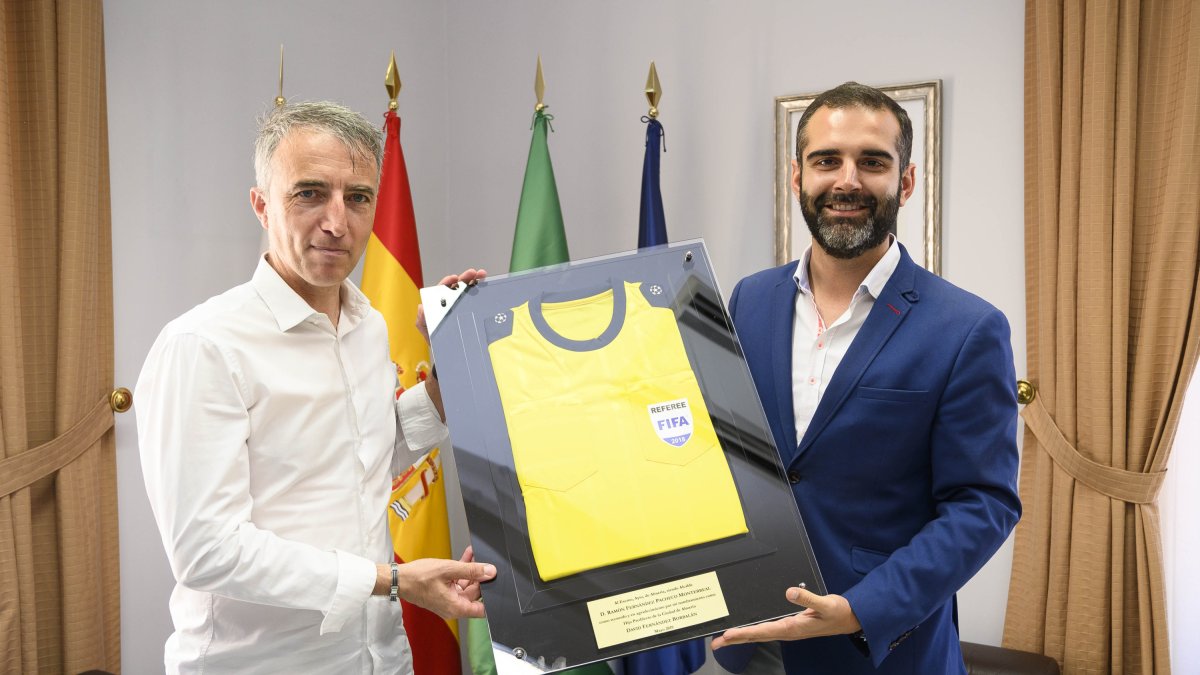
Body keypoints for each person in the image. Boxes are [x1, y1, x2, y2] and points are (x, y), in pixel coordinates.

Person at [135, 101, 495, 674]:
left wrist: (451, 372)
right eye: (309, 194)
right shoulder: (202, 345)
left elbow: (364, 455)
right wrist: (392, 580)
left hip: (380, 659)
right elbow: (207, 550)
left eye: (357, 197)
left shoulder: (369, 323)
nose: (337, 222)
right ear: (261, 206)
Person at [711, 82, 1021, 674]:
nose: (847, 180)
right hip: (752, 646)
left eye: (871, 162)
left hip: (881, 649)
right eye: (826, 160)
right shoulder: (750, 299)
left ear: (905, 182)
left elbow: (981, 504)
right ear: (797, 177)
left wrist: (862, 608)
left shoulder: (968, 327)